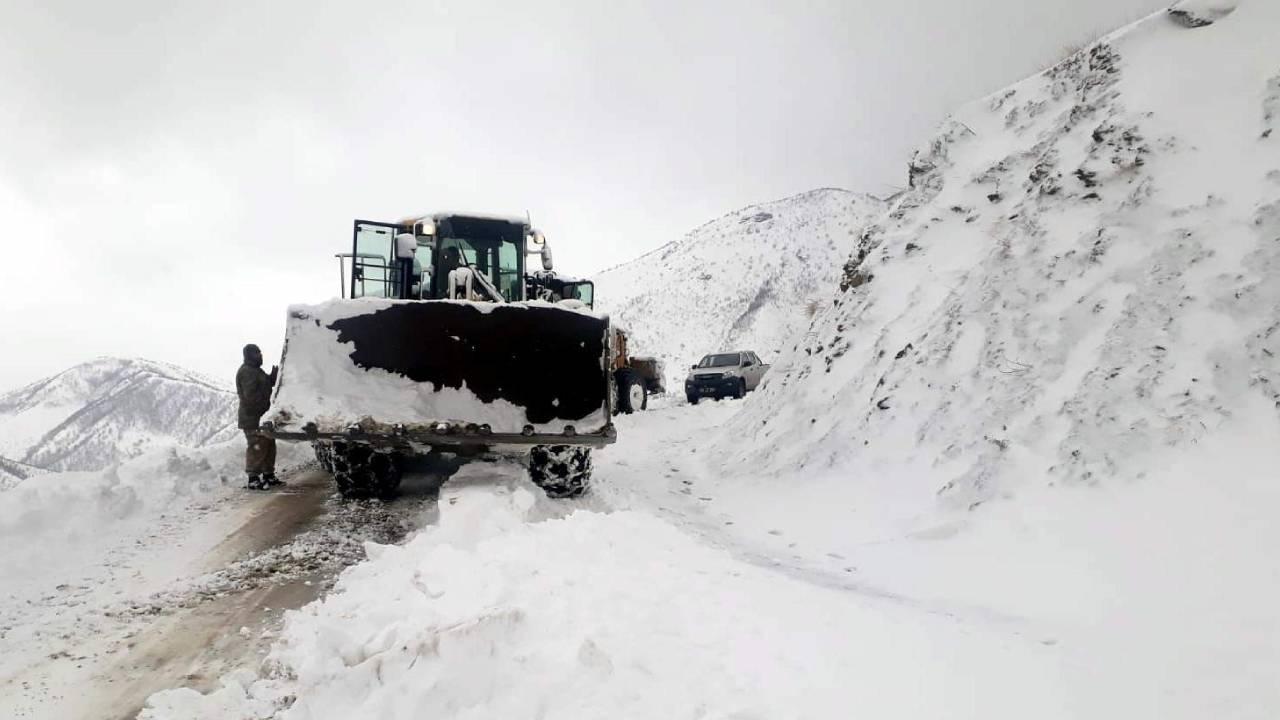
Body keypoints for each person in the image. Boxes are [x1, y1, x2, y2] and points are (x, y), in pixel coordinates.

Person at [236, 344, 281, 490]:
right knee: (257, 446)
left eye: (260, 352)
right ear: (249, 355)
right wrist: (265, 403)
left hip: (262, 417)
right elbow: (250, 396)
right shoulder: (246, 372)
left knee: (268, 445)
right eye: (256, 353)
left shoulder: (256, 370)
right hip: (252, 418)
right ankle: (253, 478)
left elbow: (264, 385)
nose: (260, 355)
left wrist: (272, 378)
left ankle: (268, 475)